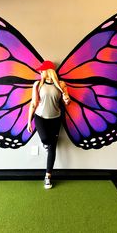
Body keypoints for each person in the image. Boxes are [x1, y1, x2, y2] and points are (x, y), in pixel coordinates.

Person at [27, 61, 71, 189]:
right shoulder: (38, 84)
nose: (40, 72)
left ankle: (48, 176)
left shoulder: (61, 84)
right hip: (40, 117)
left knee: (52, 148)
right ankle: (46, 143)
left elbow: (67, 100)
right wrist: (29, 121)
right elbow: (34, 103)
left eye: (42, 70)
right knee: (46, 140)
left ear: (49, 70)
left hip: (55, 119)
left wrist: (67, 100)